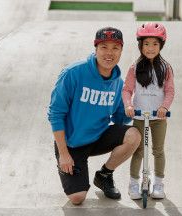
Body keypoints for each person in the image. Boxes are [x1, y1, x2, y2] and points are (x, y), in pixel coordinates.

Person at [48, 27, 141, 205]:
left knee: (133, 135)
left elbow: (120, 119)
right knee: (77, 198)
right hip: (71, 143)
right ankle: (73, 167)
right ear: (96, 49)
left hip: (98, 137)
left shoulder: (118, 84)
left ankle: (104, 175)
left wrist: (134, 105)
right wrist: (64, 154)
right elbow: (55, 114)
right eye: (104, 47)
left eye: (115, 48)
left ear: (121, 51)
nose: (109, 53)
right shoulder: (73, 73)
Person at [122, 22, 175, 199]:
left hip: (158, 118)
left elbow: (169, 91)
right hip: (139, 116)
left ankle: (158, 183)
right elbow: (127, 90)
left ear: (161, 45)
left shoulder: (165, 68)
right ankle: (133, 183)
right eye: (146, 44)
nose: (150, 48)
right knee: (138, 151)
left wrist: (163, 107)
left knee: (158, 150)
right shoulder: (134, 67)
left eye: (155, 44)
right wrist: (128, 105)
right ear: (140, 45)